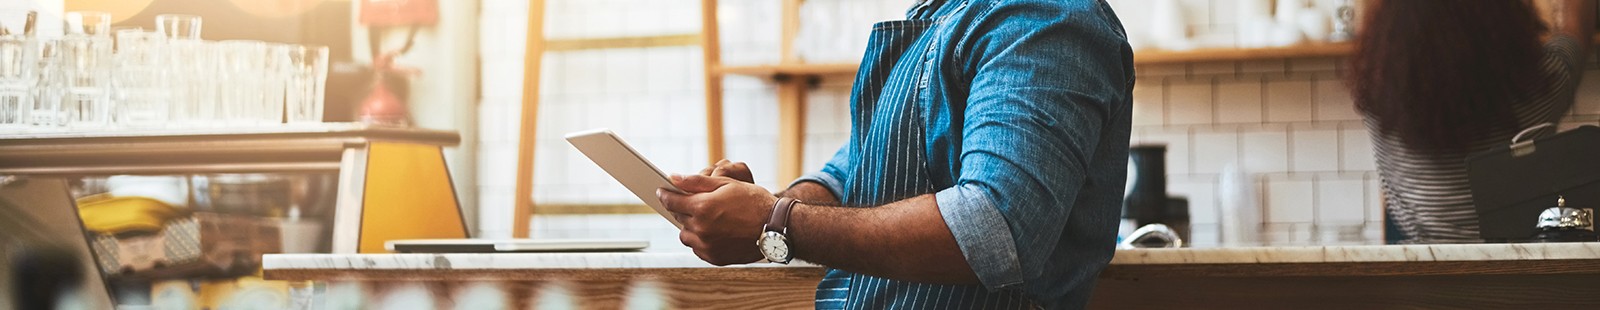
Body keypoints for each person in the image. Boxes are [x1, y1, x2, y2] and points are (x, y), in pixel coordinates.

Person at [656, 0, 1133, 308]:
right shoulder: (938, 16)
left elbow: (993, 229)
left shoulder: (1044, 19)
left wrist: (774, 221)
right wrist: (753, 205)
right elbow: (844, 179)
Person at [1349, 0, 1595, 243]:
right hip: (1514, 273)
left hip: (1421, 274)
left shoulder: (1379, 99)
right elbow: (1575, 29)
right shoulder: (1541, 87)